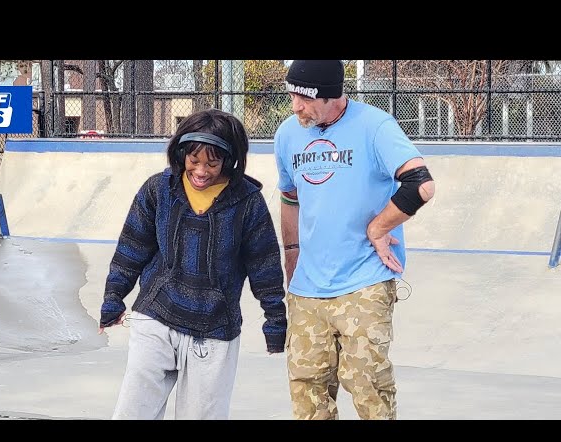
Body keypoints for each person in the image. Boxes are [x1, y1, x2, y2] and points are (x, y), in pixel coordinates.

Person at [99, 108, 287, 420]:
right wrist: (112, 298)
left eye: (212, 163)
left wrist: (275, 322)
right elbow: (132, 247)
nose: (201, 171)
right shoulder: (160, 189)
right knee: (133, 411)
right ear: (181, 152)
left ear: (230, 160)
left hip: (214, 326)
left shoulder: (247, 202)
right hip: (156, 314)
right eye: (194, 160)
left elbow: (264, 265)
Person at [274, 60, 436, 420]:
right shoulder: (287, 134)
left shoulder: (375, 126)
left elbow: (421, 184)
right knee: (307, 391)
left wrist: (379, 228)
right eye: (292, 96)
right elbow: (290, 199)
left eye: (304, 98)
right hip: (307, 289)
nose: (296, 106)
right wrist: (292, 257)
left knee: (368, 387)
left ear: (331, 95)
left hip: (363, 283)